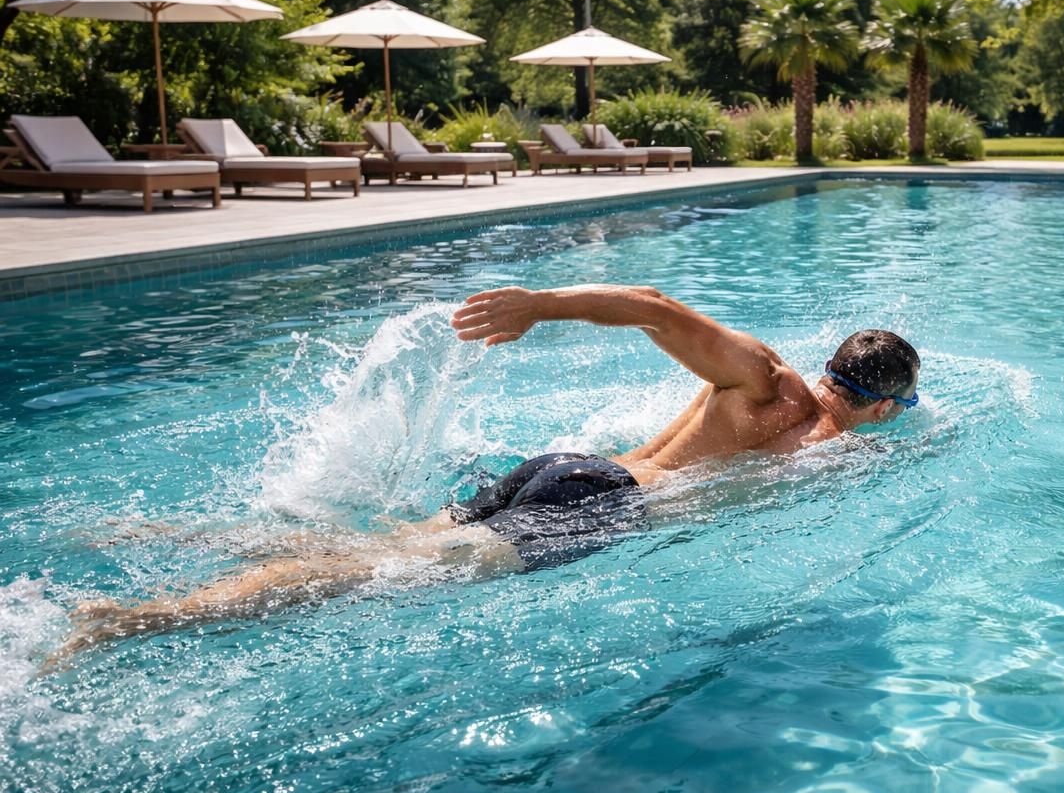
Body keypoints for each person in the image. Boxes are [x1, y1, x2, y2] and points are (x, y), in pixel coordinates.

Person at [48, 284, 920, 663]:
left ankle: (165, 538)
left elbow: (656, 310)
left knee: (379, 545)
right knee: (373, 575)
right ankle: (138, 618)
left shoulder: (764, 377)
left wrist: (541, 306)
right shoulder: (838, 452)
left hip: (569, 467)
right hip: (600, 507)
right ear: (884, 406)